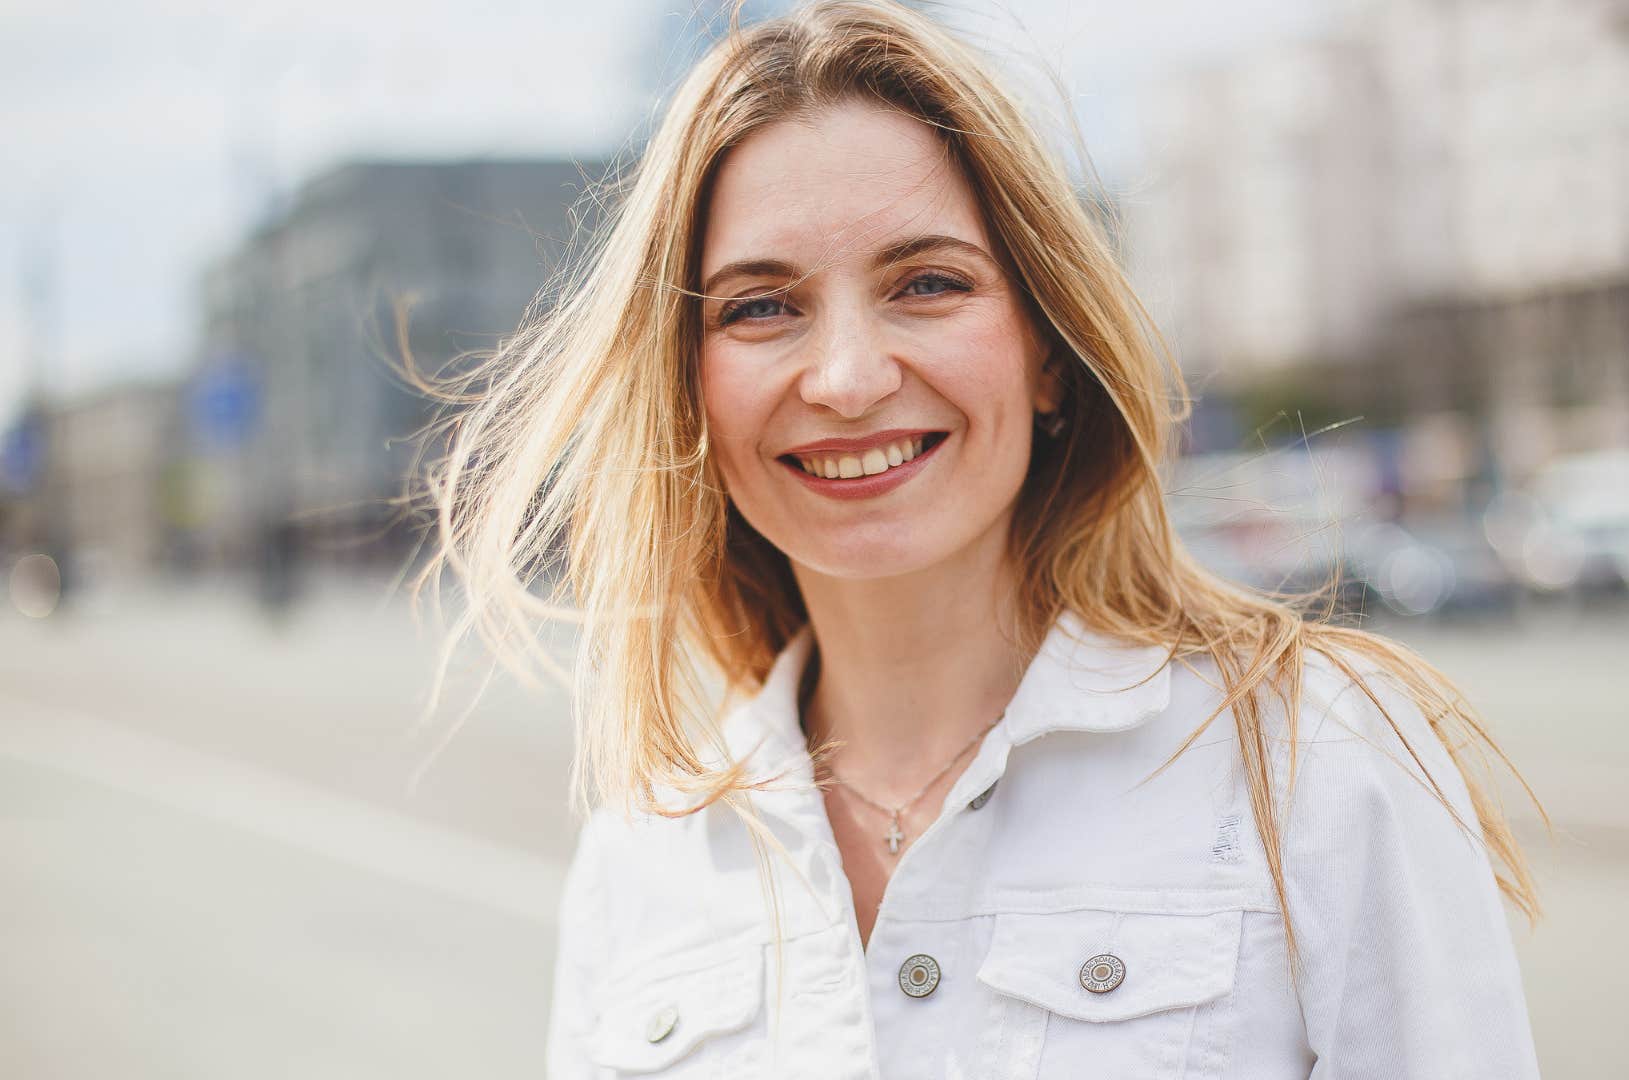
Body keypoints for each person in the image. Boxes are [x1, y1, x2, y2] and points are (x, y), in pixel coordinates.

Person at [408, 1, 1552, 1075]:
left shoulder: (1318, 764)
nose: (850, 379)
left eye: (927, 284)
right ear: (688, 391)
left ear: (1046, 351)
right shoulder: (643, 860)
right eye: (760, 306)